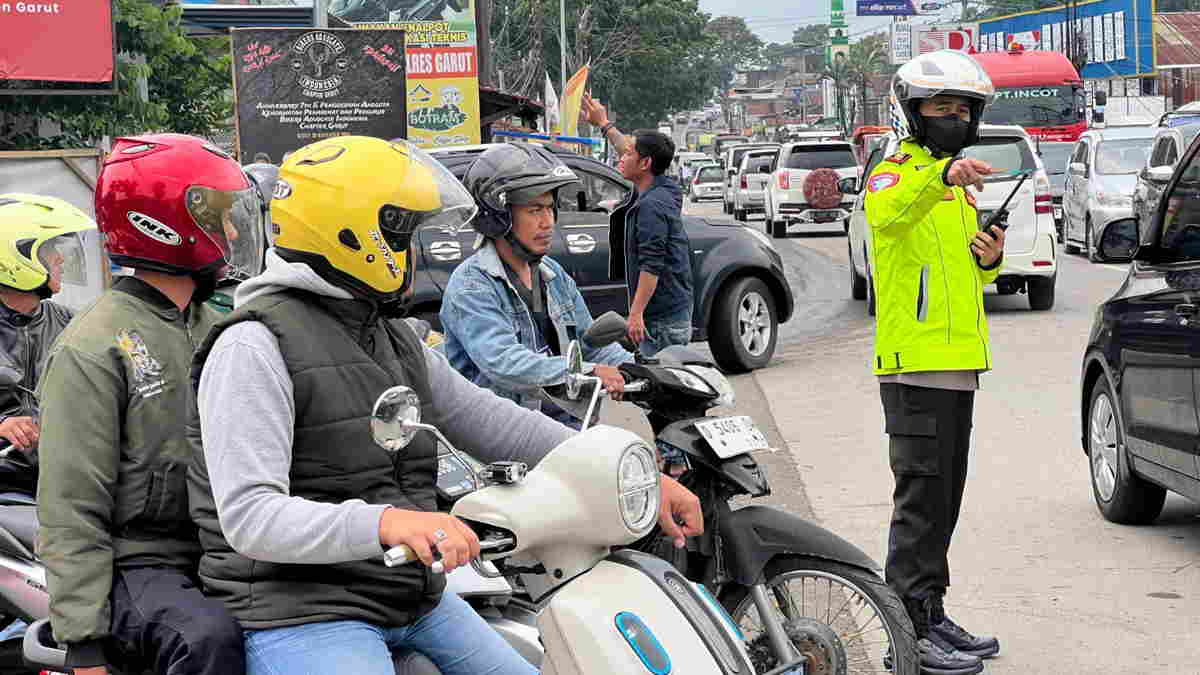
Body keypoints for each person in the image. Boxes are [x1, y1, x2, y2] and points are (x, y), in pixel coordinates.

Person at [189, 136, 703, 675]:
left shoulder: (391, 336)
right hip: (303, 609)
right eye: (402, 233)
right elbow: (250, 517)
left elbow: (496, 423)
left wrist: (628, 472)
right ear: (350, 235)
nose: (412, 251)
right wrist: (388, 523)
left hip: (408, 592)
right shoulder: (253, 346)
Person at [36, 133, 264, 675]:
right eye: (219, 216)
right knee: (207, 639)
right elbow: (71, 507)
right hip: (137, 560)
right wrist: (84, 643)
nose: (232, 231)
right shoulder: (93, 346)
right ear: (167, 223)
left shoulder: (221, 325)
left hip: (219, 547)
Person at [864, 50, 1005, 675]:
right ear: (913, 112)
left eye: (962, 110)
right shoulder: (896, 171)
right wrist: (942, 177)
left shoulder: (954, 189)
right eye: (940, 108)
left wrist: (989, 257)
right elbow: (887, 216)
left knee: (945, 498)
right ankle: (907, 631)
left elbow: (961, 273)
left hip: (957, 362)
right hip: (914, 364)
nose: (953, 118)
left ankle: (931, 611)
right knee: (920, 502)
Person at [440, 143, 632, 430]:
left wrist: (638, 369)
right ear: (499, 216)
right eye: (535, 210)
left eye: (551, 209)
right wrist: (590, 371)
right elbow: (504, 363)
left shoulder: (552, 275)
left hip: (568, 425)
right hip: (503, 437)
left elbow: (590, 345)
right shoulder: (471, 287)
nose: (548, 222)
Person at [582, 94, 694, 357]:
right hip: (671, 311)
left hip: (661, 321)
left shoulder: (651, 207)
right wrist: (604, 123)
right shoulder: (661, 187)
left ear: (645, 164)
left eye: (630, 154)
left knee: (663, 392)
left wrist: (635, 314)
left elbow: (651, 264)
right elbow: (629, 151)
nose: (622, 156)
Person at [0, 194, 95, 483]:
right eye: (49, 248)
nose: (60, 257)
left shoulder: (74, 323)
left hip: (65, 481)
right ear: (14, 255)